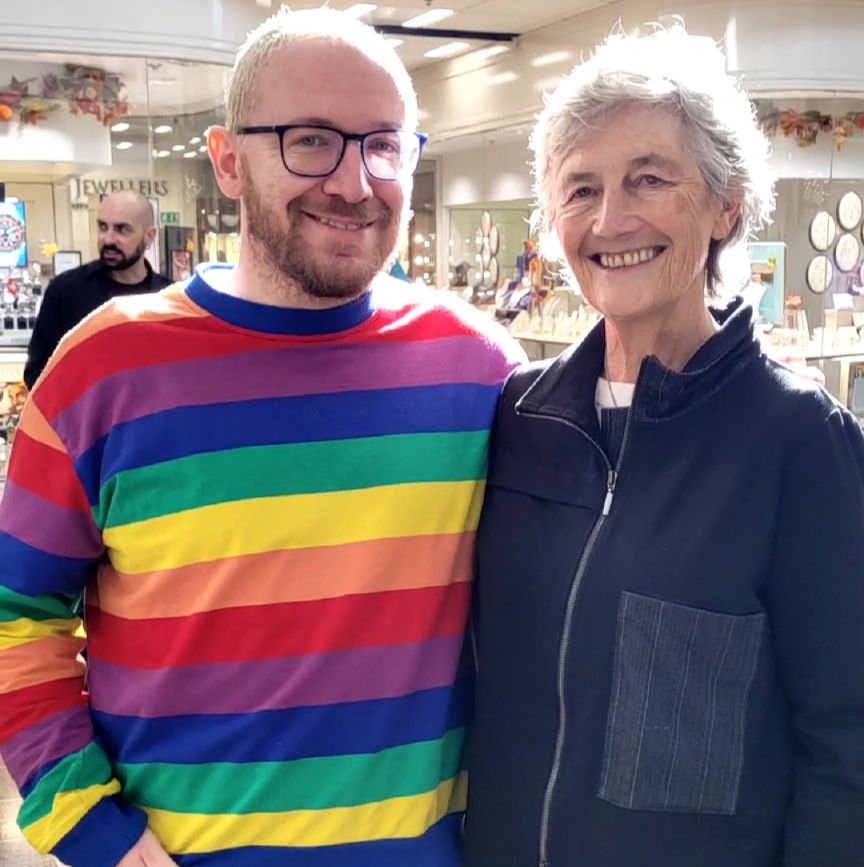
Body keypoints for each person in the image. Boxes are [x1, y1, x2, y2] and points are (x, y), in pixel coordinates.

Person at [0, 8, 523, 867]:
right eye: (311, 140)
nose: (356, 182)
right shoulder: (103, 371)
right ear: (227, 161)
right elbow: (17, 615)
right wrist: (95, 834)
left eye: (384, 144)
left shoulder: (479, 368)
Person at [465, 26, 864, 867]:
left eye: (649, 178)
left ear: (724, 205)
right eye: (581, 189)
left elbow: (848, 740)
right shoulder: (520, 420)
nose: (612, 219)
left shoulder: (797, 440)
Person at [23, 190, 170, 389]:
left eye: (122, 229)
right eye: (103, 227)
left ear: (149, 236)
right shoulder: (66, 292)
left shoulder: (169, 299)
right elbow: (37, 373)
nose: (108, 239)